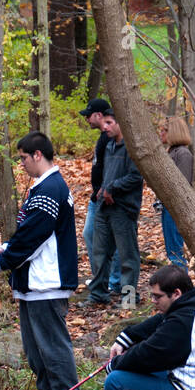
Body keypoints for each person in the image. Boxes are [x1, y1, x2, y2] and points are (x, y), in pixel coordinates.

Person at [0, 132, 79, 390]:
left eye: (23, 158)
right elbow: (32, 234)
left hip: (45, 283)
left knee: (53, 350)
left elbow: (33, 238)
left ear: (38, 155)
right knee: (37, 353)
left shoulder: (50, 190)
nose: (21, 163)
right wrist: (4, 248)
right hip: (34, 285)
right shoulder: (44, 188)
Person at [84, 111, 143, 307]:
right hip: (103, 207)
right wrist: (103, 189)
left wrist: (112, 188)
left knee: (127, 256)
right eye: (105, 123)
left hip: (123, 209)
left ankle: (129, 299)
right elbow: (106, 173)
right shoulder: (108, 145)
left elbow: (136, 177)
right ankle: (98, 294)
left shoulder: (132, 148)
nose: (105, 127)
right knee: (100, 254)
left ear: (120, 124)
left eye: (109, 123)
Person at [80, 98, 121, 299]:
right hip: (99, 196)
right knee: (92, 236)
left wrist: (108, 188)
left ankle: (119, 288)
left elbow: (126, 173)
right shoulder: (105, 139)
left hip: (114, 200)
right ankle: (102, 283)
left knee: (122, 247)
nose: (87, 119)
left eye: (88, 115)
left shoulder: (116, 143)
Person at [158, 116, 191, 269]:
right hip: (167, 205)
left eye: (164, 131)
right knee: (171, 247)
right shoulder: (170, 151)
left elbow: (182, 184)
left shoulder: (183, 153)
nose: (161, 134)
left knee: (176, 249)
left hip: (176, 207)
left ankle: (180, 282)